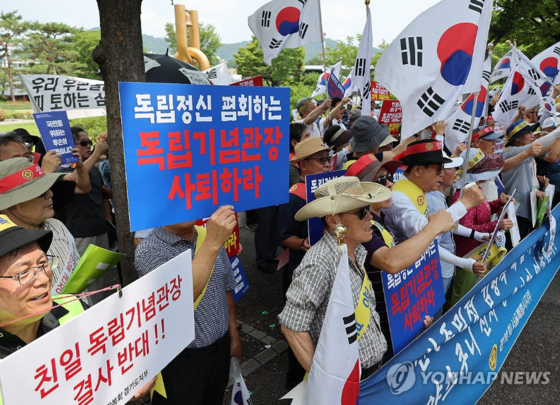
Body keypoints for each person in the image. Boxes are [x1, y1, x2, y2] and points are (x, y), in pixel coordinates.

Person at [0, 214, 155, 401]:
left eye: (43, 264)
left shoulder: (71, 306)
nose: (43, 279)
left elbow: (108, 365)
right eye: (23, 273)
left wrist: (127, 381)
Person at [279, 176, 392, 382]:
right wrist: (326, 381)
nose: (370, 217)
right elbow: (291, 325)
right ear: (333, 221)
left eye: (367, 208)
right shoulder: (319, 263)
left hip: (371, 372)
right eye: (361, 212)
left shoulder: (356, 251)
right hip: (351, 381)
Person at [347, 155, 456, 361]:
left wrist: (415, 310)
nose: (390, 183)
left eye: (389, 177)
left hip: (394, 318)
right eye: (381, 180)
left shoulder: (382, 217)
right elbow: (391, 261)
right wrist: (433, 227)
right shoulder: (360, 228)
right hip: (375, 326)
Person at [135, 205, 242, 405]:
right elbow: (179, 299)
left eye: (190, 198)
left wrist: (233, 335)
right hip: (180, 361)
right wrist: (212, 243)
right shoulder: (149, 250)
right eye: (176, 200)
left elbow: (226, 287)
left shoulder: (209, 235)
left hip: (219, 350)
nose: (185, 205)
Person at [383, 139, 487, 275]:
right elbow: (425, 232)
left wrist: (463, 262)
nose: (442, 174)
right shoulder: (398, 198)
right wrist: (464, 204)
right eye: (439, 169)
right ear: (418, 170)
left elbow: (429, 241)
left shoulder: (419, 189)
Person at [278, 137, 331, 389]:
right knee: (301, 329)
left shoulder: (329, 188)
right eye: (321, 160)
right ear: (303, 166)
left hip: (326, 271)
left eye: (327, 159)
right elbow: (284, 236)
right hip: (301, 273)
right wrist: (302, 244)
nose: (327, 164)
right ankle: (295, 384)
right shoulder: (295, 197)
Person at [0, 158, 82, 290]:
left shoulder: (56, 225)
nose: (50, 194)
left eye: (48, 188)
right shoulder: (3, 248)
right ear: (12, 205)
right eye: (41, 192)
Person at [450, 149, 513, 305]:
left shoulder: (474, 189)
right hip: (468, 253)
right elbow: (464, 228)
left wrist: (498, 203)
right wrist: (495, 225)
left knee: (473, 290)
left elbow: (483, 211)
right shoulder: (463, 196)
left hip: (479, 250)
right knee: (463, 294)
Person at [502, 120, 560, 238]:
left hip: (527, 206)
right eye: (528, 133)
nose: (532, 135)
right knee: (515, 244)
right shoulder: (511, 151)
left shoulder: (524, 151)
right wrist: (557, 132)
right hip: (516, 209)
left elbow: (545, 150)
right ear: (517, 138)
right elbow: (537, 146)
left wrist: (535, 190)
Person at [57, 127, 109, 254]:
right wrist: (96, 154)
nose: (88, 146)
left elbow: (102, 198)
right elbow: (74, 178)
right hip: (80, 233)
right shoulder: (63, 170)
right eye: (83, 143)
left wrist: (108, 223)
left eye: (89, 142)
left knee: (103, 272)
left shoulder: (95, 170)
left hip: (101, 229)